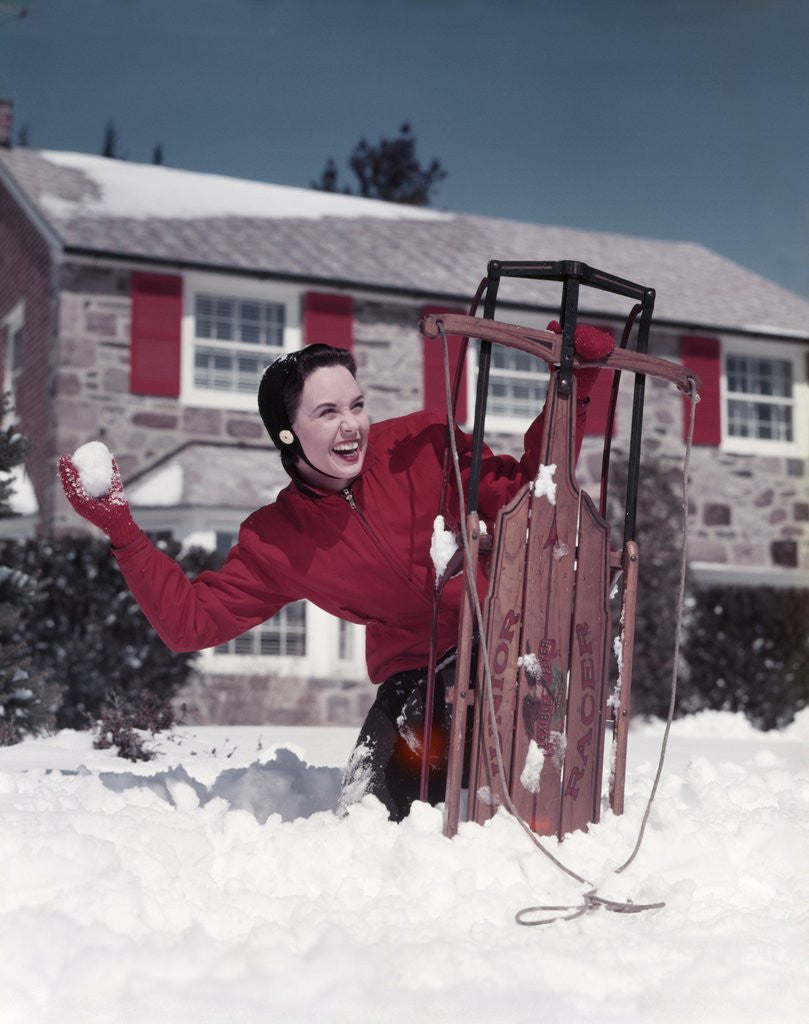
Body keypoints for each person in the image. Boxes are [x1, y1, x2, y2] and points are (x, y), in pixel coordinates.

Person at [59, 322, 614, 821]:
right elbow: (191, 623)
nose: (351, 426)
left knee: (462, 733)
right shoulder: (278, 539)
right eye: (327, 413)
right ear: (288, 433)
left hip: (503, 641)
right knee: (370, 808)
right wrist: (123, 531)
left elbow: (532, 499)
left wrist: (573, 389)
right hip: (416, 674)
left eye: (356, 405)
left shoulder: (422, 446)